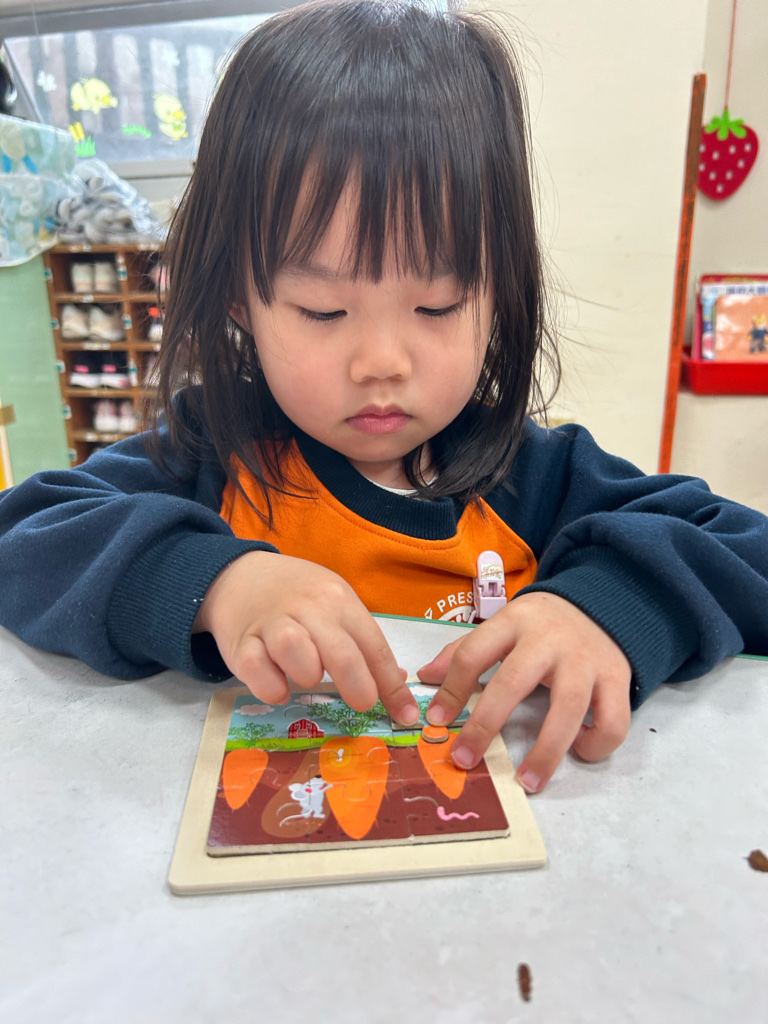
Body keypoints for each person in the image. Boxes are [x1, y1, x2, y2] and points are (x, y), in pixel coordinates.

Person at [1, 0, 767, 795]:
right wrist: (213, 583)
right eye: (322, 311)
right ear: (239, 300)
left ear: (497, 293)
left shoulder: (534, 475)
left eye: (437, 305)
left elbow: (748, 550)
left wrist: (612, 604)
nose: (381, 363)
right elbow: (22, 536)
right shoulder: (213, 452)